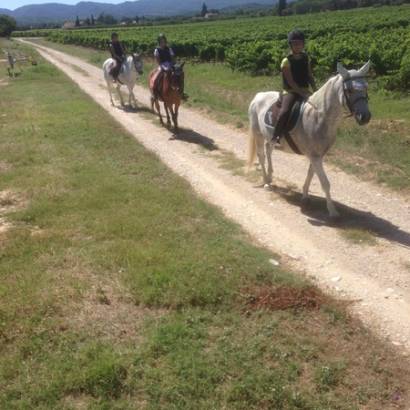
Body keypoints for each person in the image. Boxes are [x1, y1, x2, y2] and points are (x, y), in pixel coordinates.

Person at [273, 30, 316, 143]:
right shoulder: (286, 61)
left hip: (304, 89)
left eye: (300, 43)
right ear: (290, 45)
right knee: (285, 112)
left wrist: (316, 90)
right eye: (295, 43)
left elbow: (310, 76)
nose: (297, 46)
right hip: (290, 91)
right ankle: (276, 135)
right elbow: (291, 82)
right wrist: (301, 93)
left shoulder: (306, 58)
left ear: (303, 44)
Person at [153, 34, 187, 99]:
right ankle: (155, 91)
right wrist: (163, 67)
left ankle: (181, 92)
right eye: (161, 41)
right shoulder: (157, 50)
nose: (163, 43)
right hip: (162, 65)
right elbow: (158, 60)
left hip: (170, 64)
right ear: (159, 42)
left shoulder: (169, 49)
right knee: (157, 76)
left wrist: (175, 65)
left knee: (179, 74)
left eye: (164, 41)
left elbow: (172, 58)